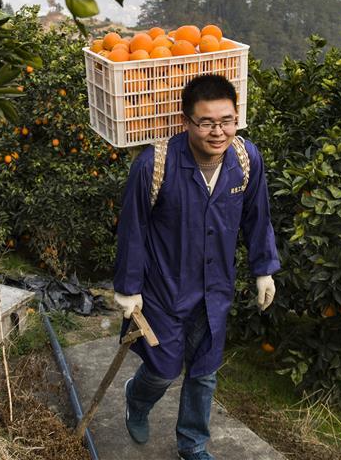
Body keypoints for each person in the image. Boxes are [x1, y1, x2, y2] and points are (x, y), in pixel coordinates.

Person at [112, 74, 280, 460]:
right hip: (163, 286)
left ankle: (193, 444)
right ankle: (136, 400)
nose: (217, 132)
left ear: (237, 117)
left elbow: (258, 217)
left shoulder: (245, 159)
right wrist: (128, 286)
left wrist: (263, 269)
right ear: (186, 121)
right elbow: (133, 227)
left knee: (204, 371)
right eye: (206, 122)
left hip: (215, 287)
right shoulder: (155, 164)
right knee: (163, 368)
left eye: (227, 120)